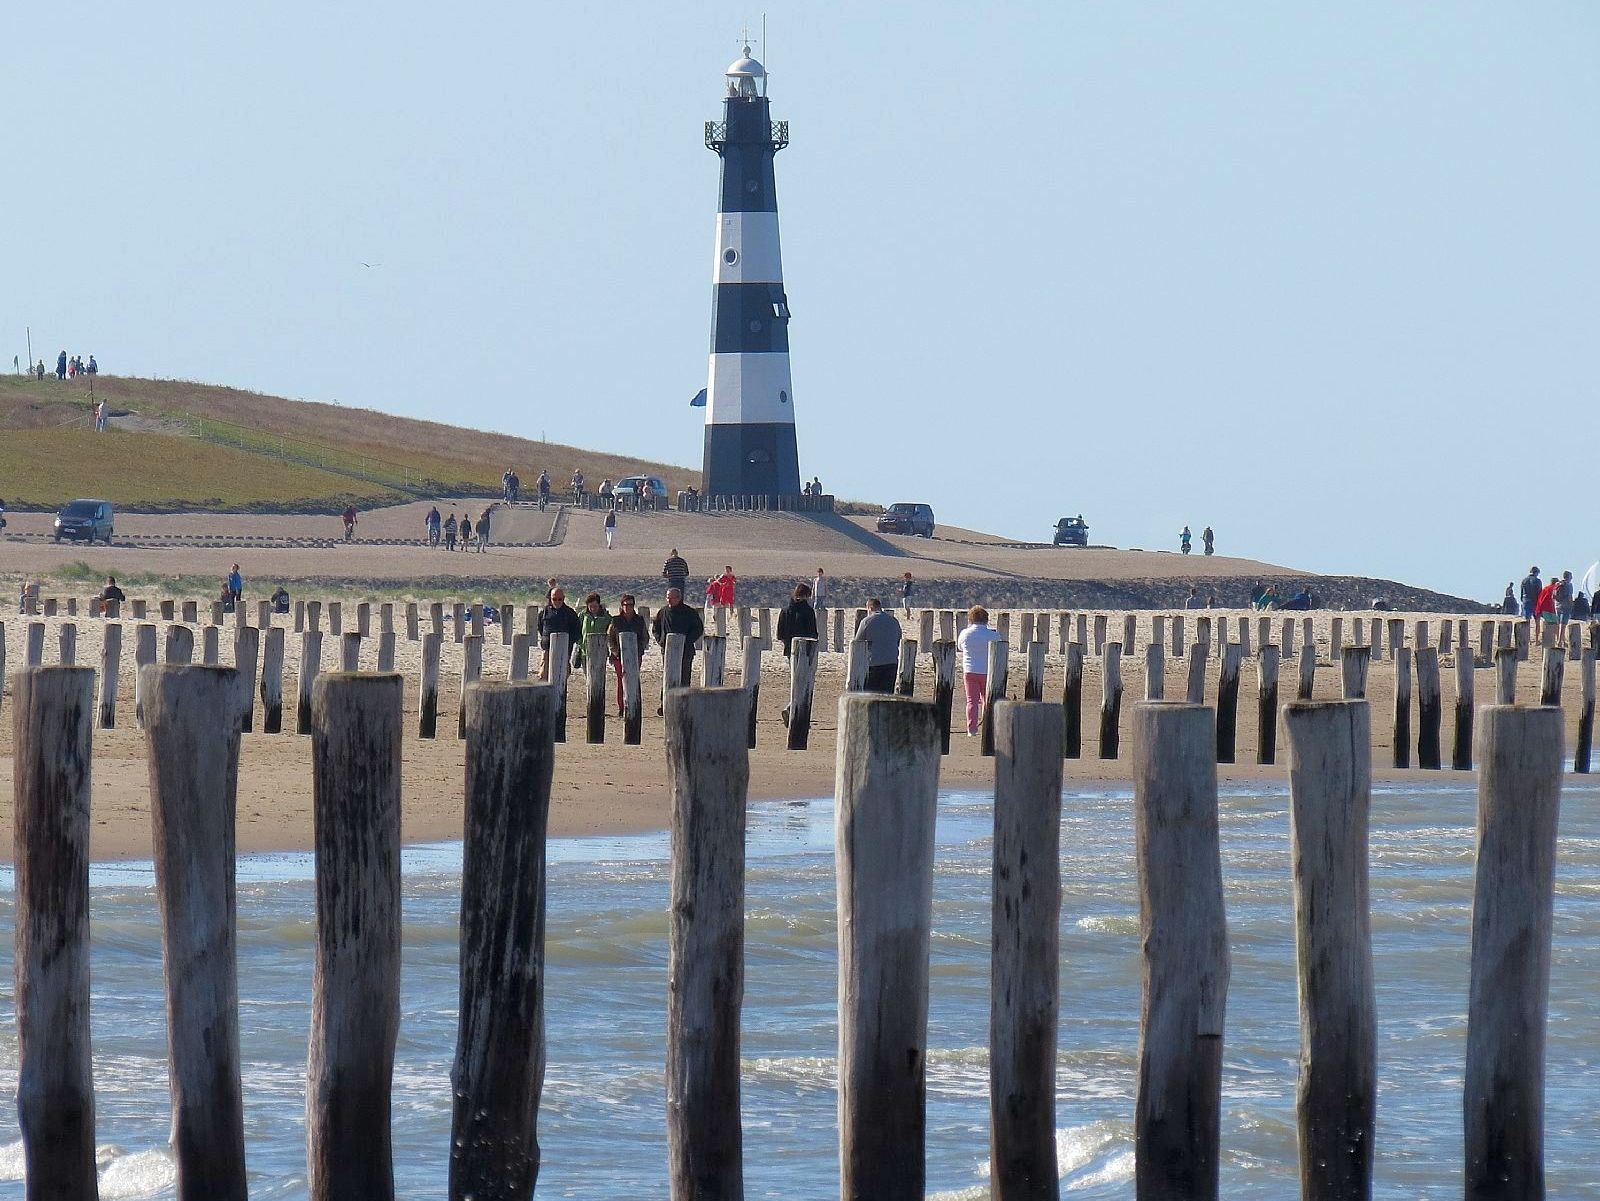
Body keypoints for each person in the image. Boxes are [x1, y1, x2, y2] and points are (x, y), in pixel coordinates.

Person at [652, 587, 704, 711]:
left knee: (684, 677)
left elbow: (698, 629)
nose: (669, 600)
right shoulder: (663, 612)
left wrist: (685, 641)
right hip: (667, 651)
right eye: (667, 598)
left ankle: (683, 704)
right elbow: (656, 629)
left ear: (679, 598)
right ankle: (665, 704)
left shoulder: (689, 612)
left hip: (685, 651)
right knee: (667, 677)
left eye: (672, 598)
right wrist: (662, 642)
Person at [776, 583, 819, 724]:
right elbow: (813, 633)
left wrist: (787, 643)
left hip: (790, 649)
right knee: (804, 682)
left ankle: (791, 709)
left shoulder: (785, 609)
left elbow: (780, 634)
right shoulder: (808, 611)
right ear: (807, 595)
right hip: (806, 650)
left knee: (796, 680)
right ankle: (792, 709)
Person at [957, 606, 1002, 736]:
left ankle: (971, 729)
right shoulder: (993, 635)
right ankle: (988, 727)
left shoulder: (965, 633)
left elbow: (960, 647)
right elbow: (999, 646)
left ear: (970, 619)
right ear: (986, 619)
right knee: (987, 700)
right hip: (987, 672)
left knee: (972, 701)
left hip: (970, 670)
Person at [607, 594, 648, 716]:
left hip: (635, 656)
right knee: (621, 681)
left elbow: (645, 637)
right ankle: (622, 707)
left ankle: (634, 704)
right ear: (622, 605)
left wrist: (639, 650)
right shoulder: (616, 620)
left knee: (634, 680)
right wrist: (615, 652)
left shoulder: (639, 620)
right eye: (625, 604)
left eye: (630, 605)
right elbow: (610, 638)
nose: (628, 607)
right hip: (619, 656)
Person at [856, 599, 902, 694]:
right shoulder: (894, 621)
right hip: (891, 662)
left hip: (873, 663)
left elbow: (858, 643)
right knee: (887, 694)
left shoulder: (866, 621)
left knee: (871, 694)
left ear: (870, 608)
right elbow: (898, 639)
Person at [538, 586, 583, 677]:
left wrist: (568, 641)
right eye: (554, 599)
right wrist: (545, 639)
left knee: (562, 675)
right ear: (550, 598)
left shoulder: (570, 613)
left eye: (560, 599)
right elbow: (540, 627)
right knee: (543, 675)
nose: (557, 601)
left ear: (563, 598)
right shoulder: (544, 612)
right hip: (547, 649)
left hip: (564, 650)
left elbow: (577, 631)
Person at [576, 593, 612, 669]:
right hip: (585, 651)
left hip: (600, 651)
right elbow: (577, 629)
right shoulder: (583, 615)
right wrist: (580, 643)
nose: (593, 609)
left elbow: (611, 631)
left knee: (599, 673)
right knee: (587, 674)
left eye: (595, 606)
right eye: (590, 606)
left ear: (599, 605)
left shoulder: (606, 617)